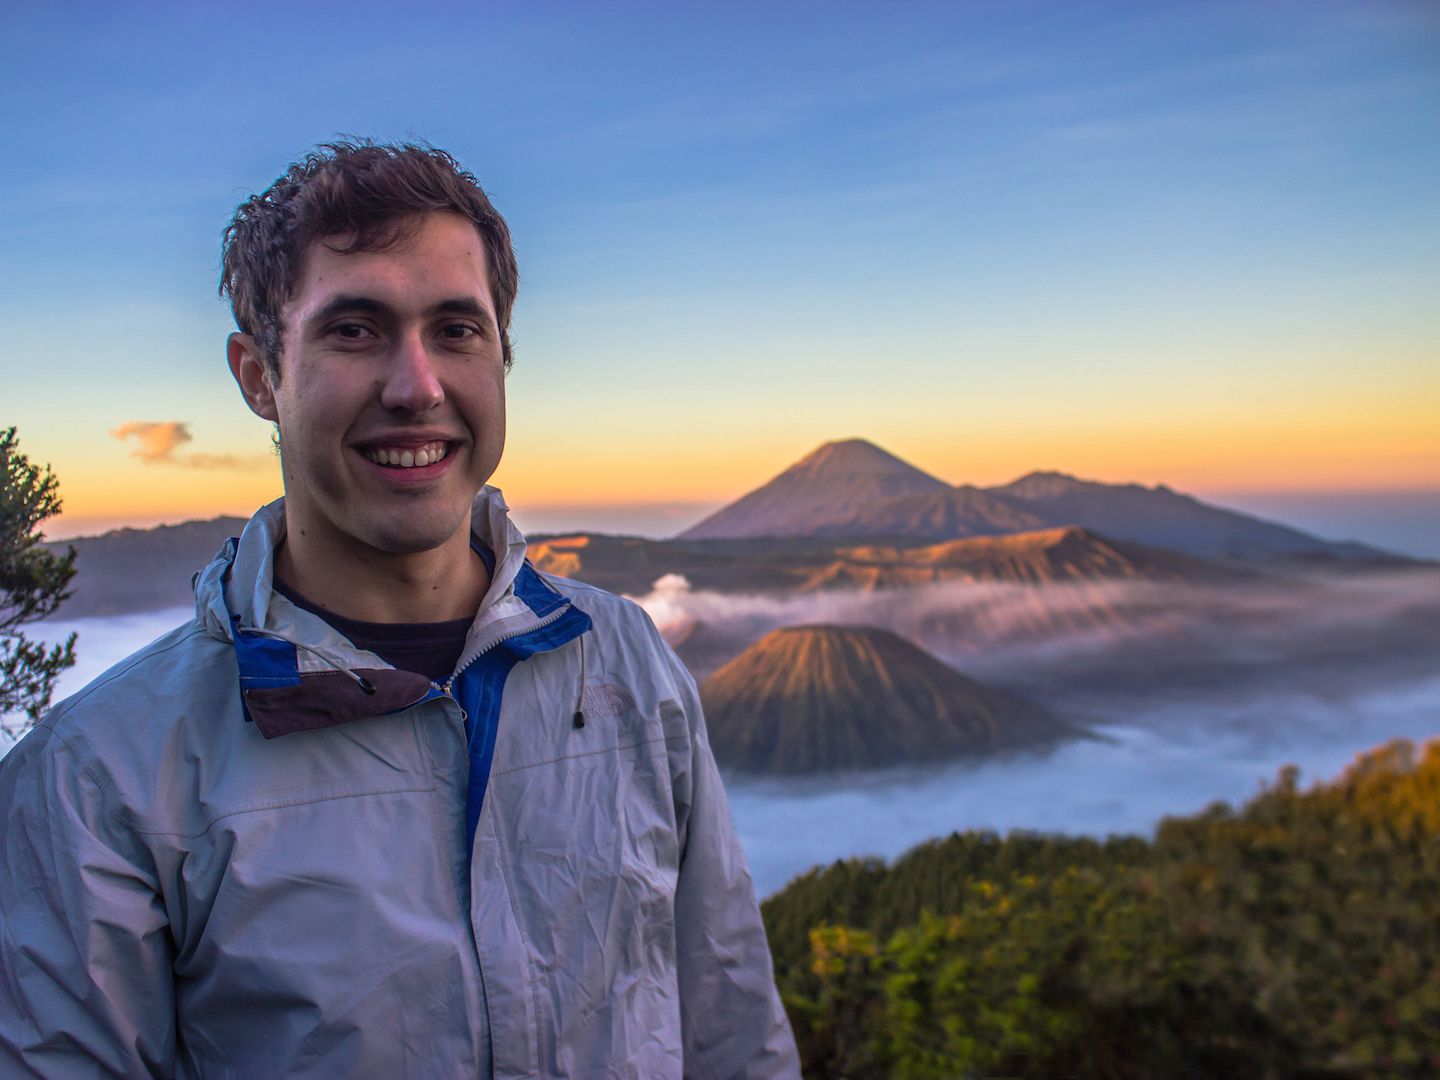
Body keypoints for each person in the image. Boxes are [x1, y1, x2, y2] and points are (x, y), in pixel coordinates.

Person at [0, 141, 800, 1078]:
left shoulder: (624, 661)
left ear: (505, 356)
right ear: (259, 374)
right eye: (355, 330)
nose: (416, 387)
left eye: (457, 329)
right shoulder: (102, 777)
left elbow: (728, 1022)